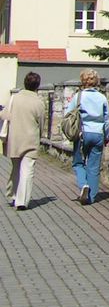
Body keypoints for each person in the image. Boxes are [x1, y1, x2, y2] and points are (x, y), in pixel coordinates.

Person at [64, 68, 109, 205]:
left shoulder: (78, 96)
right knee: (94, 166)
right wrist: (107, 136)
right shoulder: (102, 98)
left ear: (82, 81)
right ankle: (91, 197)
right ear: (96, 81)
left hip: (82, 133)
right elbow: (107, 120)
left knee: (78, 163)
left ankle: (83, 184)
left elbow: (68, 115)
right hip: (98, 134)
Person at [2, 72, 46, 210]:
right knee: (27, 170)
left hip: (14, 139)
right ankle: (22, 201)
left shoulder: (14, 98)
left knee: (16, 168)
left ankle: (13, 194)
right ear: (37, 86)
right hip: (31, 140)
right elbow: (42, 123)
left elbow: (5, 115)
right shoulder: (39, 102)